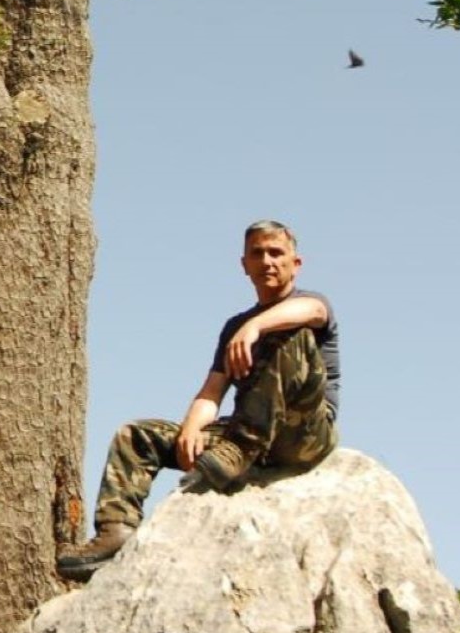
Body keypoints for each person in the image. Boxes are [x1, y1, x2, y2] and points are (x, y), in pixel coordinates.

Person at [56, 220, 339, 581]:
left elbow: (314, 312)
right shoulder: (233, 326)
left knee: (290, 335)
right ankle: (116, 532)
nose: (267, 261)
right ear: (244, 265)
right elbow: (212, 392)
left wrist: (256, 328)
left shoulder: (308, 306)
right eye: (258, 253)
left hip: (301, 434)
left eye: (276, 253)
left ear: (295, 264)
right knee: (137, 436)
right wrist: (191, 429)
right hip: (242, 440)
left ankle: (241, 446)